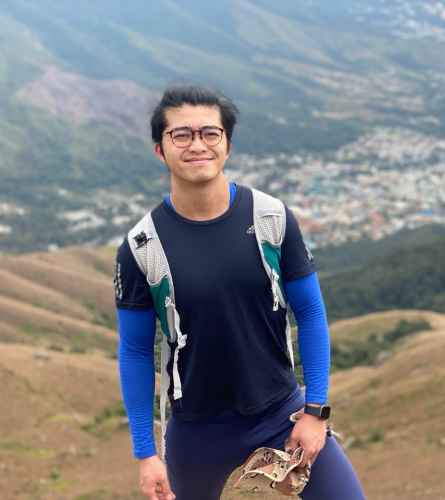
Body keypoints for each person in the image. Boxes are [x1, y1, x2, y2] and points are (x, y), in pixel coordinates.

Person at [114, 85, 365, 500]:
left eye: (210, 133)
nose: (197, 145)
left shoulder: (271, 218)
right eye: (181, 135)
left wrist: (316, 411)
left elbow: (310, 313)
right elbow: (135, 351)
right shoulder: (142, 247)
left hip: (282, 413)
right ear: (160, 149)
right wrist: (146, 453)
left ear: (227, 145)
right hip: (197, 433)